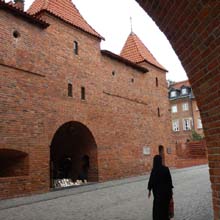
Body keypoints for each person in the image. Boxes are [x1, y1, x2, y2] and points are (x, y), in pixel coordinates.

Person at [148, 155, 174, 220]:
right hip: (166, 194)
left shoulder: (154, 170)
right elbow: (169, 181)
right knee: (165, 208)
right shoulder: (165, 169)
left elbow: (151, 181)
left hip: (157, 195)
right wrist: (171, 193)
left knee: (157, 209)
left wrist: (149, 190)